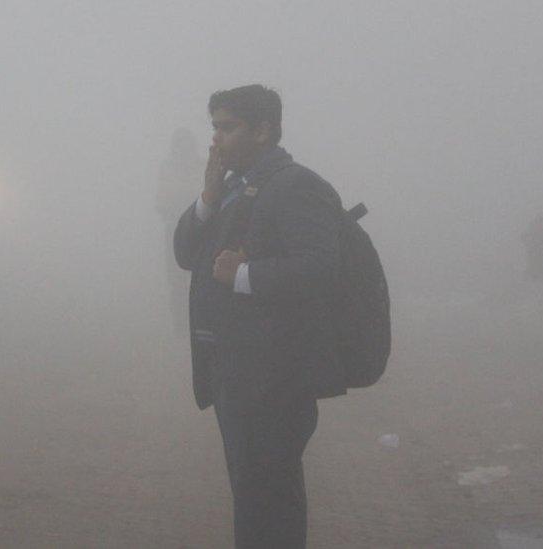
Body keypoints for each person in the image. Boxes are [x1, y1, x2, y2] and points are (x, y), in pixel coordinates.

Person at [173, 84, 347, 548]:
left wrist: (245, 275)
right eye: (214, 127)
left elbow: (322, 268)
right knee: (252, 498)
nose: (216, 139)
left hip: (274, 378)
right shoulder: (231, 187)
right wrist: (207, 198)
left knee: (270, 503)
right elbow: (185, 253)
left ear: (264, 130)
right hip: (236, 373)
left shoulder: (296, 186)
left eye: (228, 128)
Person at [156, 128, 205, 333]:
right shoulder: (167, 168)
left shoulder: (203, 166)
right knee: (176, 280)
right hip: (176, 229)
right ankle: (181, 328)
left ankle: (199, 324)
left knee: (201, 278)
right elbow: (160, 202)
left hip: (202, 230)